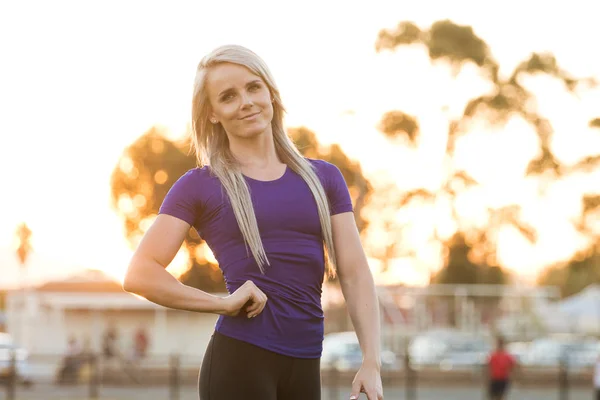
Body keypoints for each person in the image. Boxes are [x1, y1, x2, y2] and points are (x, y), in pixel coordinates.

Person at [123, 44, 384, 400]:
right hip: (239, 364)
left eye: (253, 87)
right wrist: (221, 303)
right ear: (213, 113)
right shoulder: (201, 185)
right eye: (228, 96)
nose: (246, 101)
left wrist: (372, 361)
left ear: (271, 93)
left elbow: (354, 273)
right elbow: (139, 273)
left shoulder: (324, 178)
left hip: (306, 363)